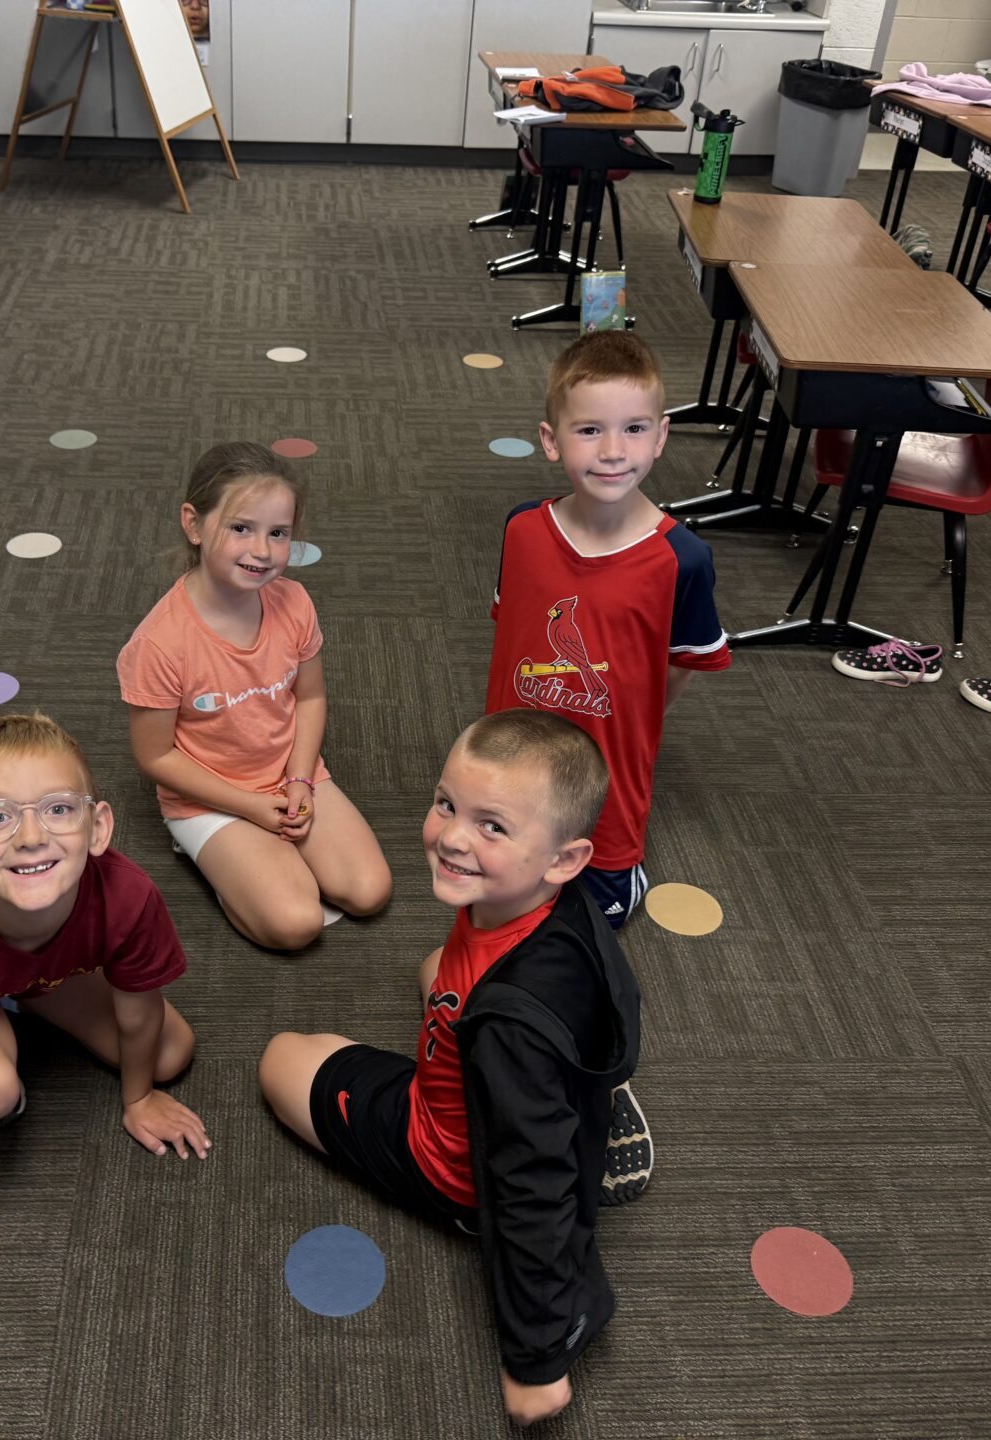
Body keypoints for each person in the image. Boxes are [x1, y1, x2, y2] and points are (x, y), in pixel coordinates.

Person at [258, 711, 645, 1429]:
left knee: (282, 1057)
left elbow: (531, 1189)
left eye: (492, 826)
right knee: (435, 968)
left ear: (564, 858)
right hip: (514, 1036)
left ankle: (514, 1144)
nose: (452, 838)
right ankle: (582, 1097)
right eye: (446, 805)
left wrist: (537, 1362)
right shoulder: (551, 903)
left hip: (448, 1157)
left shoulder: (510, 1029)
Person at [0, 711, 209, 1270]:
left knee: (170, 1052)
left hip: (35, 962)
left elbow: (140, 1011)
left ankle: (22, 994)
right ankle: (0, 1010)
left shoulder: (130, 896)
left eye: (58, 809)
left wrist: (138, 1097)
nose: (30, 837)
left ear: (98, 829)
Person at [487, 330, 731, 929]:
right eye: (590, 430)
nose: (614, 451)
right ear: (551, 440)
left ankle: (625, 867)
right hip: (512, 765)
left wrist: (629, 710)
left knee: (593, 925)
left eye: (635, 428)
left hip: (608, 790)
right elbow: (513, 636)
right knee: (496, 898)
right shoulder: (522, 531)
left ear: (662, 435)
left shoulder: (683, 559)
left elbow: (678, 666)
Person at [118, 441, 392, 951]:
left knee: (369, 892)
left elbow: (309, 699)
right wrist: (248, 806)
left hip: (290, 775)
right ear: (194, 524)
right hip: (208, 799)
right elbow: (153, 754)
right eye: (241, 528)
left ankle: (261, 862)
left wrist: (301, 778)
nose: (262, 551)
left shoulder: (294, 601)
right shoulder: (159, 643)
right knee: (295, 924)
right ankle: (228, 875)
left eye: (278, 533)